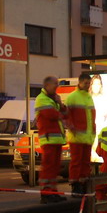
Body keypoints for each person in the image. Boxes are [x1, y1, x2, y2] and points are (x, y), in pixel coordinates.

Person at [34, 76, 67, 204]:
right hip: (48, 138)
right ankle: (46, 193)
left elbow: (66, 114)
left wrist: (60, 106)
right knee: (48, 167)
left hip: (56, 139)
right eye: (55, 84)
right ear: (47, 85)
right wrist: (60, 105)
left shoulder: (52, 99)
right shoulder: (41, 99)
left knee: (54, 167)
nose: (56, 87)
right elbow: (54, 115)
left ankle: (53, 192)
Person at [64, 72, 96, 195]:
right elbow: (66, 115)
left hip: (87, 136)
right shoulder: (73, 97)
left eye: (89, 83)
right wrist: (71, 128)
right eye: (86, 83)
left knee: (85, 162)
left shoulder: (88, 97)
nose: (88, 85)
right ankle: (75, 184)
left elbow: (91, 117)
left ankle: (83, 183)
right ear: (80, 82)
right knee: (76, 162)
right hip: (77, 136)